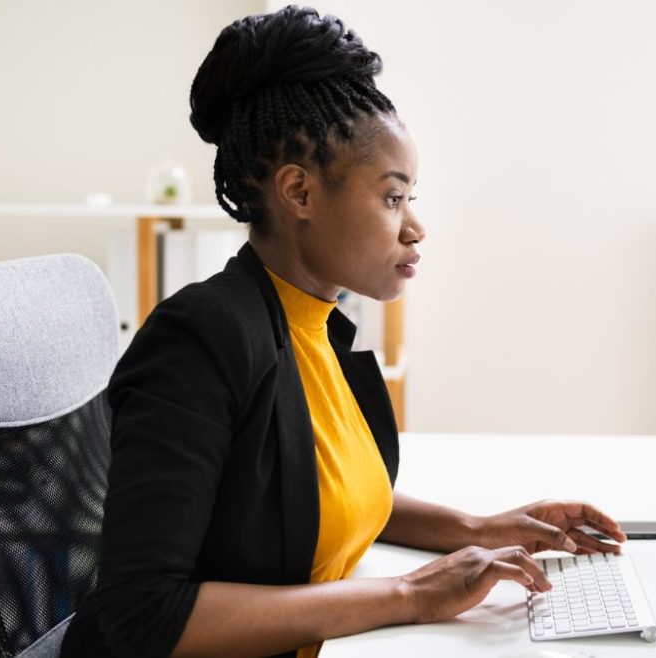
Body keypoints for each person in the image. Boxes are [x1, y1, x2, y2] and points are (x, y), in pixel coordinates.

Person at [61, 6, 627, 658]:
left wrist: (483, 527)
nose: (415, 226)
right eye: (393, 197)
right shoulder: (201, 339)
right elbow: (144, 615)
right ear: (298, 192)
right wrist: (413, 594)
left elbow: (316, 494)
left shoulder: (318, 326)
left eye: (412, 197)